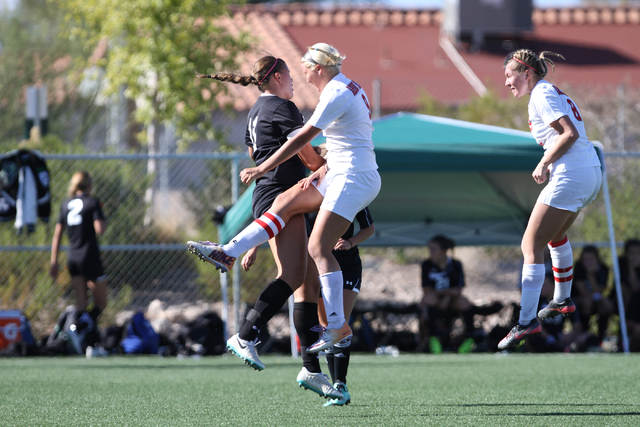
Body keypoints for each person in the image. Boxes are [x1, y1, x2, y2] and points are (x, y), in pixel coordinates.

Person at [188, 43, 381, 357]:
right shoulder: (342, 89)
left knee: (317, 248)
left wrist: (264, 166)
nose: (301, 75)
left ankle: (337, 326)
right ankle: (227, 252)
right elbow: (343, 141)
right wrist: (323, 165)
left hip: (353, 176)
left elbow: (303, 139)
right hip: (342, 171)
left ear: (318, 68)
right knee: (285, 205)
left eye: (303, 68)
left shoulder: (335, 93)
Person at [193, 56, 341, 399]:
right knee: (292, 275)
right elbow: (304, 155)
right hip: (282, 195)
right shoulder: (283, 106)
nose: (293, 82)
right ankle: (246, 334)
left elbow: (256, 152)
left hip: (271, 195)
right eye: (289, 75)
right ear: (276, 76)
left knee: (306, 285)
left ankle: (311, 369)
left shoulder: (256, 111)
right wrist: (330, 162)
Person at [498, 49, 602, 350]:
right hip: (589, 172)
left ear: (526, 73)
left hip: (573, 172)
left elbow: (567, 134)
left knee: (530, 245)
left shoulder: (541, 94)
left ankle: (527, 320)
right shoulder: (548, 91)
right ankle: (562, 299)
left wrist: (544, 162)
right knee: (555, 235)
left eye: (508, 75)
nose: (506, 82)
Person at [315, 206, 374, 407]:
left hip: (348, 267)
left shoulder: (354, 192)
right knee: (327, 328)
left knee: (340, 325)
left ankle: (341, 386)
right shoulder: (311, 193)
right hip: (319, 268)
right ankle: (335, 388)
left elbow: (369, 228)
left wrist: (350, 242)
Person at [50, 171, 108, 334]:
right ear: (89, 185)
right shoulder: (92, 202)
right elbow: (100, 229)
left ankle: (79, 335)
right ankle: (78, 328)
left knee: (81, 305)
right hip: (89, 256)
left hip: (73, 258)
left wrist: (54, 261)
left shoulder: (66, 203)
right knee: (101, 304)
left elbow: (57, 235)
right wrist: (103, 217)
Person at [418, 235, 476, 353]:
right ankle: (433, 339)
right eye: (429, 249)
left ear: (444, 251)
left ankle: (470, 339)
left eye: (434, 249)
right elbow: (426, 289)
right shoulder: (427, 265)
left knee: (464, 302)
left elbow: (459, 289)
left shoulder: (455, 265)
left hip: (451, 302)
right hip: (435, 302)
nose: (431, 253)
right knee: (429, 299)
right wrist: (447, 293)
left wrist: (448, 297)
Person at [573, 245, 614, 342]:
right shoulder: (579, 267)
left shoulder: (603, 268)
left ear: (597, 259)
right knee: (588, 302)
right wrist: (588, 273)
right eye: (585, 259)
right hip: (579, 299)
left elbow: (600, 290)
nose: (588, 262)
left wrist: (591, 275)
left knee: (606, 305)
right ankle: (584, 335)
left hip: (595, 298)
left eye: (591, 259)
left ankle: (601, 337)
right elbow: (582, 291)